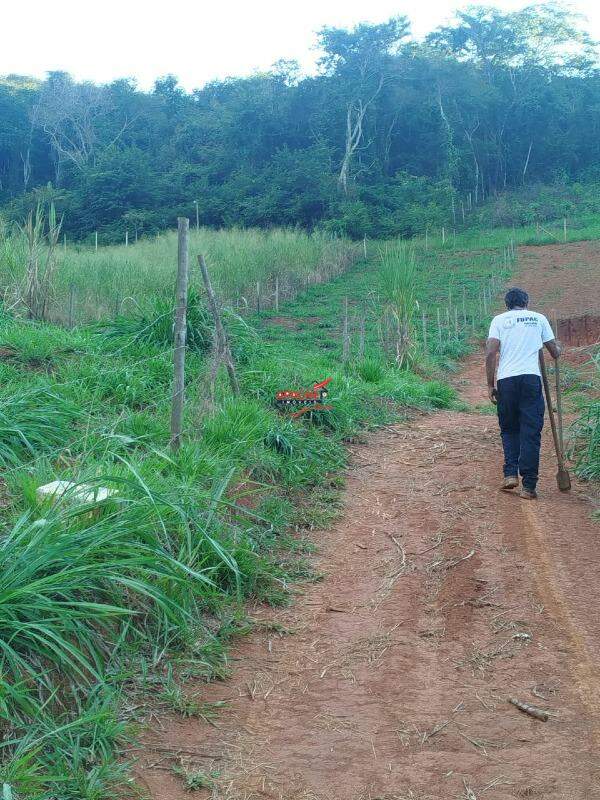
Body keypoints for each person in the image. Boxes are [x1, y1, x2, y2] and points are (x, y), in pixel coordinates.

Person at [485, 287, 561, 499]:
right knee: (531, 431)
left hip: (506, 380)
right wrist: (559, 348)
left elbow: (491, 352)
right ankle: (528, 486)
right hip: (531, 379)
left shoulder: (499, 320)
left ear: (507, 304)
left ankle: (510, 474)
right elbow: (554, 352)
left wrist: (490, 384)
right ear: (526, 302)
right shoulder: (538, 319)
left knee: (509, 428)